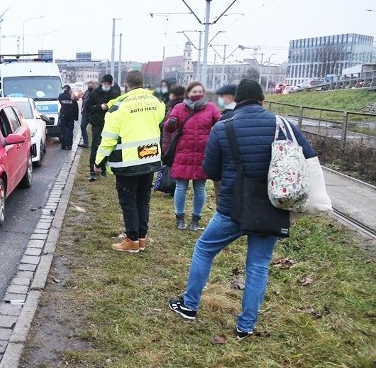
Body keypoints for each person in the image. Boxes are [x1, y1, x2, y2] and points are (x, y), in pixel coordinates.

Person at [168, 79, 317, 339]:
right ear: (262, 100)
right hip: (270, 208)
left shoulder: (223, 127)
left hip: (231, 209)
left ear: (236, 100)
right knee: (258, 265)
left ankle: (189, 306)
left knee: (204, 249)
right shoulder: (283, 125)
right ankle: (245, 326)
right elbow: (307, 158)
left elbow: (210, 170)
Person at [94, 70, 165, 252]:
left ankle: (131, 240)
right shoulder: (156, 102)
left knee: (129, 201)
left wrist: (98, 162)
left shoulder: (119, 107)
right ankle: (141, 238)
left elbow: (108, 138)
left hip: (128, 163)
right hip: (149, 158)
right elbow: (158, 120)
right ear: (143, 83)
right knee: (143, 200)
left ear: (126, 85)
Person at [164, 82, 220, 231]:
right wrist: (171, 123)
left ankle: (196, 218)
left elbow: (219, 124)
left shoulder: (210, 108)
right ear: (188, 93)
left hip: (203, 154)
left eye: (200, 91)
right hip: (184, 153)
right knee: (181, 187)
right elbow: (168, 127)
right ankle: (180, 218)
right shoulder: (179, 108)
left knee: (200, 187)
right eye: (194, 91)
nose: (197, 93)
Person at [86, 74, 121, 180]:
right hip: (97, 123)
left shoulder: (113, 94)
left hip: (109, 124)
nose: (106, 85)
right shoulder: (94, 94)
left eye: (108, 84)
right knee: (95, 146)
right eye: (104, 83)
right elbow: (88, 108)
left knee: (107, 146)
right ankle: (92, 169)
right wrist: (99, 107)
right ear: (102, 83)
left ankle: (103, 168)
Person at [58, 84, 78, 150]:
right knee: (70, 131)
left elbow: (60, 102)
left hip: (63, 115)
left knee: (63, 131)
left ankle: (64, 145)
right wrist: (76, 117)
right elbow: (76, 108)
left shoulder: (61, 96)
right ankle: (69, 145)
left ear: (64, 89)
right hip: (71, 116)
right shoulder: (73, 97)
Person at [78, 80, 96, 148]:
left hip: (92, 113)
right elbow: (84, 100)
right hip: (85, 113)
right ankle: (86, 143)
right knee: (82, 127)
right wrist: (82, 108)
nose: (89, 85)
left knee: (94, 129)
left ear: (94, 85)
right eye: (88, 84)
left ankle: (95, 143)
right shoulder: (86, 91)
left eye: (90, 84)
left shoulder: (95, 93)